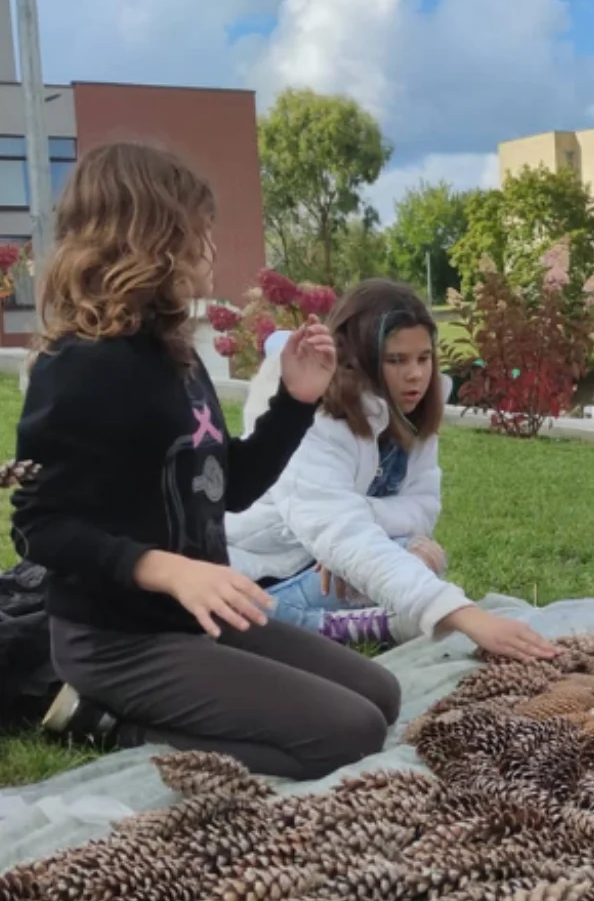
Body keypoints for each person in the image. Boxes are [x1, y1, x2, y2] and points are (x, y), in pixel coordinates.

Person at [12, 142, 402, 781]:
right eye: (199, 230)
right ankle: (116, 724)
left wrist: (296, 402)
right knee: (350, 734)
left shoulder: (178, 357)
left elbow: (232, 488)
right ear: (150, 237)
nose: (210, 247)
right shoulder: (78, 367)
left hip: (198, 620)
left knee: (381, 696)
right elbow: (37, 527)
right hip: (116, 642)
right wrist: (165, 570)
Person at [226, 279, 559, 662]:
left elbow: (422, 506)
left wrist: (358, 523)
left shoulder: (415, 412)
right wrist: (467, 617)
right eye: (396, 360)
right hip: (269, 570)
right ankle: (333, 628)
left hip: (330, 561)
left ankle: (357, 620)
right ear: (360, 359)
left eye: (423, 358)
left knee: (418, 552)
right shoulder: (314, 419)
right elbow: (340, 532)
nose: (416, 374)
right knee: (240, 612)